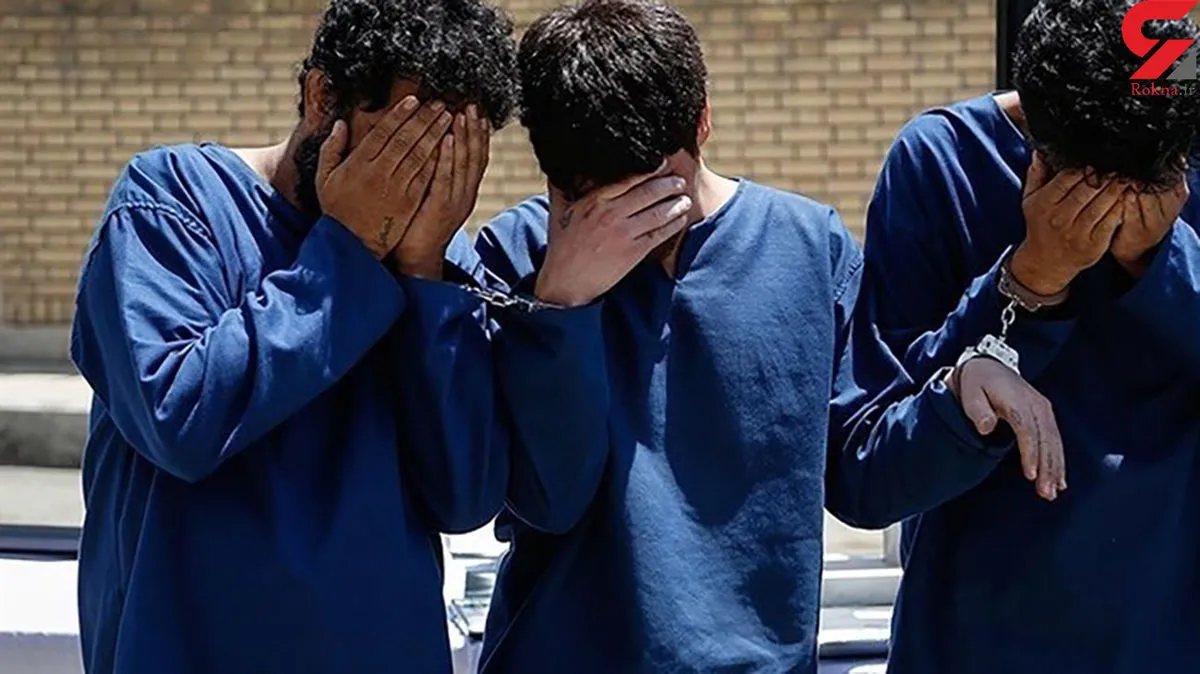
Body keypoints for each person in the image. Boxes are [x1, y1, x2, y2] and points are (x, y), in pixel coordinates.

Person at [452, 1, 1064, 671]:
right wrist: (562, 306)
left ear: (702, 121)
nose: (630, 224)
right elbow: (548, 499)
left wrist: (957, 401)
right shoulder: (519, 256)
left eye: (654, 191)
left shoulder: (807, 248)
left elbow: (864, 480)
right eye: (591, 199)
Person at [67, 1, 520, 672]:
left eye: (447, 155)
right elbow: (179, 419)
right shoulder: (172, 203)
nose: (417, 182)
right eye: (400, 146)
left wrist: (425, 280)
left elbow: (464, 496)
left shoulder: (435, 256)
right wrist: (347, 252)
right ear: (322, 97)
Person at [862, 1, 1200, 672]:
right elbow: (871, 473)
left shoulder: (1177, 124)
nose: (1114, 205)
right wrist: (1030, 279)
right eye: (1090, 181)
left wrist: (1161, 261)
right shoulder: (943, 161)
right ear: (1036, 144)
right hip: (977, 644)